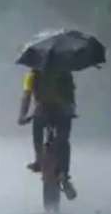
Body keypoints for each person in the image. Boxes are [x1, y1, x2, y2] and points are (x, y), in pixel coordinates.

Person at [17, 67, 77, 199]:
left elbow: (26, 96)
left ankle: (38, 159)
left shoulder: (32, 74)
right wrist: (71, 111)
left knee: (37, 132)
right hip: (62, 113)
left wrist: (22, 116)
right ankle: (64, 174)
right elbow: (71, 97)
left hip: (42, 113)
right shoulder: (65, 72)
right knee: (63, 140)